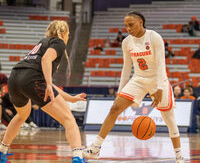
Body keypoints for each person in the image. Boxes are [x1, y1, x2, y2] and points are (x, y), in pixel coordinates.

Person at [84, 11, 185, 163]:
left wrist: (159, 88)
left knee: (169, 119)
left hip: (158, 79)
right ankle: (96, 148)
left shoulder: (154, 37)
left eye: (131, 25)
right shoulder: (126, 42)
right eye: (126, 26)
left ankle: (179, 156)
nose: (128, 28)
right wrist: (120, 91)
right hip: (138, 79)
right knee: (114, 109)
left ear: (140, 22)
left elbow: (161, 65)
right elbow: (126, 68)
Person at [0, 20, 87, 163]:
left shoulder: (42, 42)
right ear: (63, 33)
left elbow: (47, 81)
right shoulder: (59, 43)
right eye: (68, 34)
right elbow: (46, 61)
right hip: (32, 80)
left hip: (15, 79)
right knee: (69, 119)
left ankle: (2, 152)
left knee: (22, 115)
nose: (68, 37)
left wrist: (70, 98)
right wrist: (47, 84)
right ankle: (78, 157)